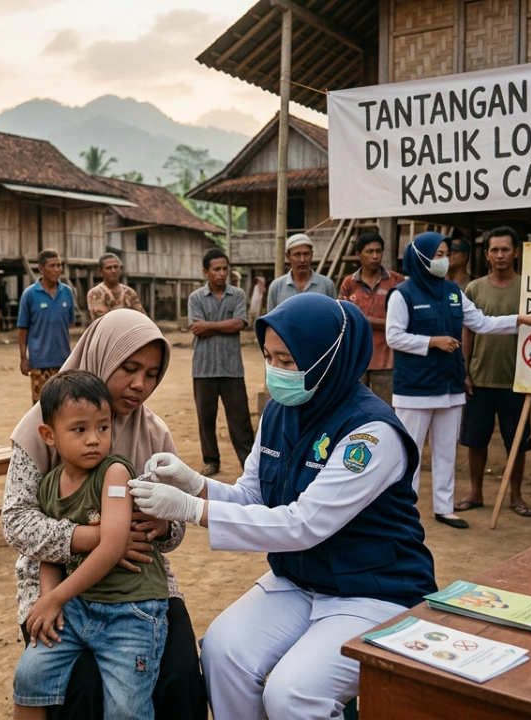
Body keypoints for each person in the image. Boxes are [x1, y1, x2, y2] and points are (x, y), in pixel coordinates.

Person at [126, 293, 437, 720]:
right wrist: (196, 484)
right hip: (300, 579)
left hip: (373, 589)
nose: (275, 371)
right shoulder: (279, 412)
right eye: (269, 357)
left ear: (327, 359)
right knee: (221, 651)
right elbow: (253, 497)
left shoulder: (370, 434)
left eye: (288, 361)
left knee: (293, 694)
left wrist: (190, 509)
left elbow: (303, 524)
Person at [5, 309, 207, 720]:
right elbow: (17, 521)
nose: (140, 384)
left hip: (139, 584)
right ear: (100, 356)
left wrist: (162, 524)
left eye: (152, 374)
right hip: (56, 579)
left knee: (180, 672)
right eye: (129, 368)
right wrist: (97, 537)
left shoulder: (154, 433)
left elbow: (173, 535)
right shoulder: (42, 426)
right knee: (79, 684)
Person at [13, 371, 169, 720]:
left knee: (125, 708)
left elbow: (112, 546)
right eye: (79, 429)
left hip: (132, 611)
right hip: (78, 606)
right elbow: (49, 553)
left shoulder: (114, 473)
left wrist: (55, 598)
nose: (94, 439)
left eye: (103, 427)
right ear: (48, 435)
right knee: (29, 677)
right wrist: (48, 602)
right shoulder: (50, 485)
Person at [386, 232, 531, 530]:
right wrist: (432, 341)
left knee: (447, 451)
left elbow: (481, 322)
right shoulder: (403, 294)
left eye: (446, 253)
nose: (443, 260)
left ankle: (444, 508)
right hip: (415, 389)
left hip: (449, 386)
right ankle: (402, 511)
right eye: (437, 255)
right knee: (409, 454)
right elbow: (393, 336)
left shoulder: (452, 291)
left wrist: (518, 320)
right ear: (420, 257)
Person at [456, 228, 531, 519]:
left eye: (506, 249)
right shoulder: (475, 288)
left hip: (518, 379)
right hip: (480, 377)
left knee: (516, 442)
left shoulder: (530, 287)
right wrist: (464, 369)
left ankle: (516, 496)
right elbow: (467, 330)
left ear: (516, 252)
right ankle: (475, 493)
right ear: (487, 255)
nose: (500, 255)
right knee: (475, 440)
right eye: (495, 250)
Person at [189, 248, 254, 477]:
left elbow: (240, 324)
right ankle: (211, 462)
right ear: (205, 271)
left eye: (225, 268)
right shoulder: (195, 298)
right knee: (206, 419)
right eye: (216, 269)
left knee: (241, 420)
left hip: (231, 368)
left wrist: (209, 326)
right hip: (203, 369)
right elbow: (197, 329)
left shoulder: (237, 295)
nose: (221, 273)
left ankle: (249, 463)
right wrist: (220, 326)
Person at [338, 231, 406, 402]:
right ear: (358, 255)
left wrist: (363, 320)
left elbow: (404, 320)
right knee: (354, 407)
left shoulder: (396, 281)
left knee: (386, 409)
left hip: (387, 359)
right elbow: (344, 319)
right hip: (356, 358)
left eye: (378, 251)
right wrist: (387, 323)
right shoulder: (349, 283)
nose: (375, 256)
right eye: (369, 252)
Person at [19, 249, 76, 402]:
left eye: (59, 265)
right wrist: (24, 358)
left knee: (64, 405)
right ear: (41, 269)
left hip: (64, 361)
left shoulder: (67, 292)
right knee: (41, 406)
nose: (57, 269)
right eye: (52, 266)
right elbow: (22, 328)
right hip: (39, 363)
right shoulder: (30, 294)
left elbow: (69, 323)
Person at [266, 233, 336, 311]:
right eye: (297, 255)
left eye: (306, 254)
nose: (302, 260)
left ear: (312, 255)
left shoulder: (326, 285)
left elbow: (334, 318)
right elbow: (270, 321)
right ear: (288, 257)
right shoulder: (276, 287)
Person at [87, 252, 145, 321]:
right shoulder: (95, 294)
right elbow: (103, 322)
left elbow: (142, 317)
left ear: (120, 269)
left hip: (131, 331)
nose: (113, 271)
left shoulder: (129, 292)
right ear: (100, 271)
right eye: (109, 268)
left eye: (116, 267)